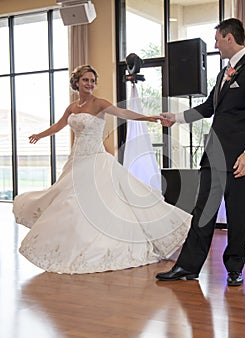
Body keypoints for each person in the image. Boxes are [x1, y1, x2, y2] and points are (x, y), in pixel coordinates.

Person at [13, 64, 191, 274]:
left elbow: (123, 112)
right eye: (85, 80)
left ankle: (100, 243)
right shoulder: (73, 107)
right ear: (76, 83)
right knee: (69, 203)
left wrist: (149, 118)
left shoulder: (99, 104)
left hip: (95, 159)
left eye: (92, 80)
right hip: (76, 160)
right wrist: (40, 135)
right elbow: (59, 125)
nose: (90, 84)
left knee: (89, 202)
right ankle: (74, 244)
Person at [156, 18, 245, 286]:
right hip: (214, 156)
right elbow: (209, 106)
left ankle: (234, 268)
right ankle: (187, 266)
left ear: (229, 38)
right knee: (203, 211)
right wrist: (176, 117)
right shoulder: (224, 73)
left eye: (218, 39)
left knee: (238, 213)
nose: (215, 44)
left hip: (241, 158)